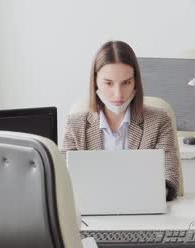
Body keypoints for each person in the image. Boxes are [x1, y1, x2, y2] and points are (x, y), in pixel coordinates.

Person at [62, 40, 179, 200]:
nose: (118, 94)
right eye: (109, 83)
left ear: (135, 82)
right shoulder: (76, 125)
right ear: (95, 80)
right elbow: (62, 180)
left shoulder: (159, 121)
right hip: (92, 214)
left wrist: (153, 195)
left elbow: (170, 177)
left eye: (126, 83)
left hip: (143, 209)